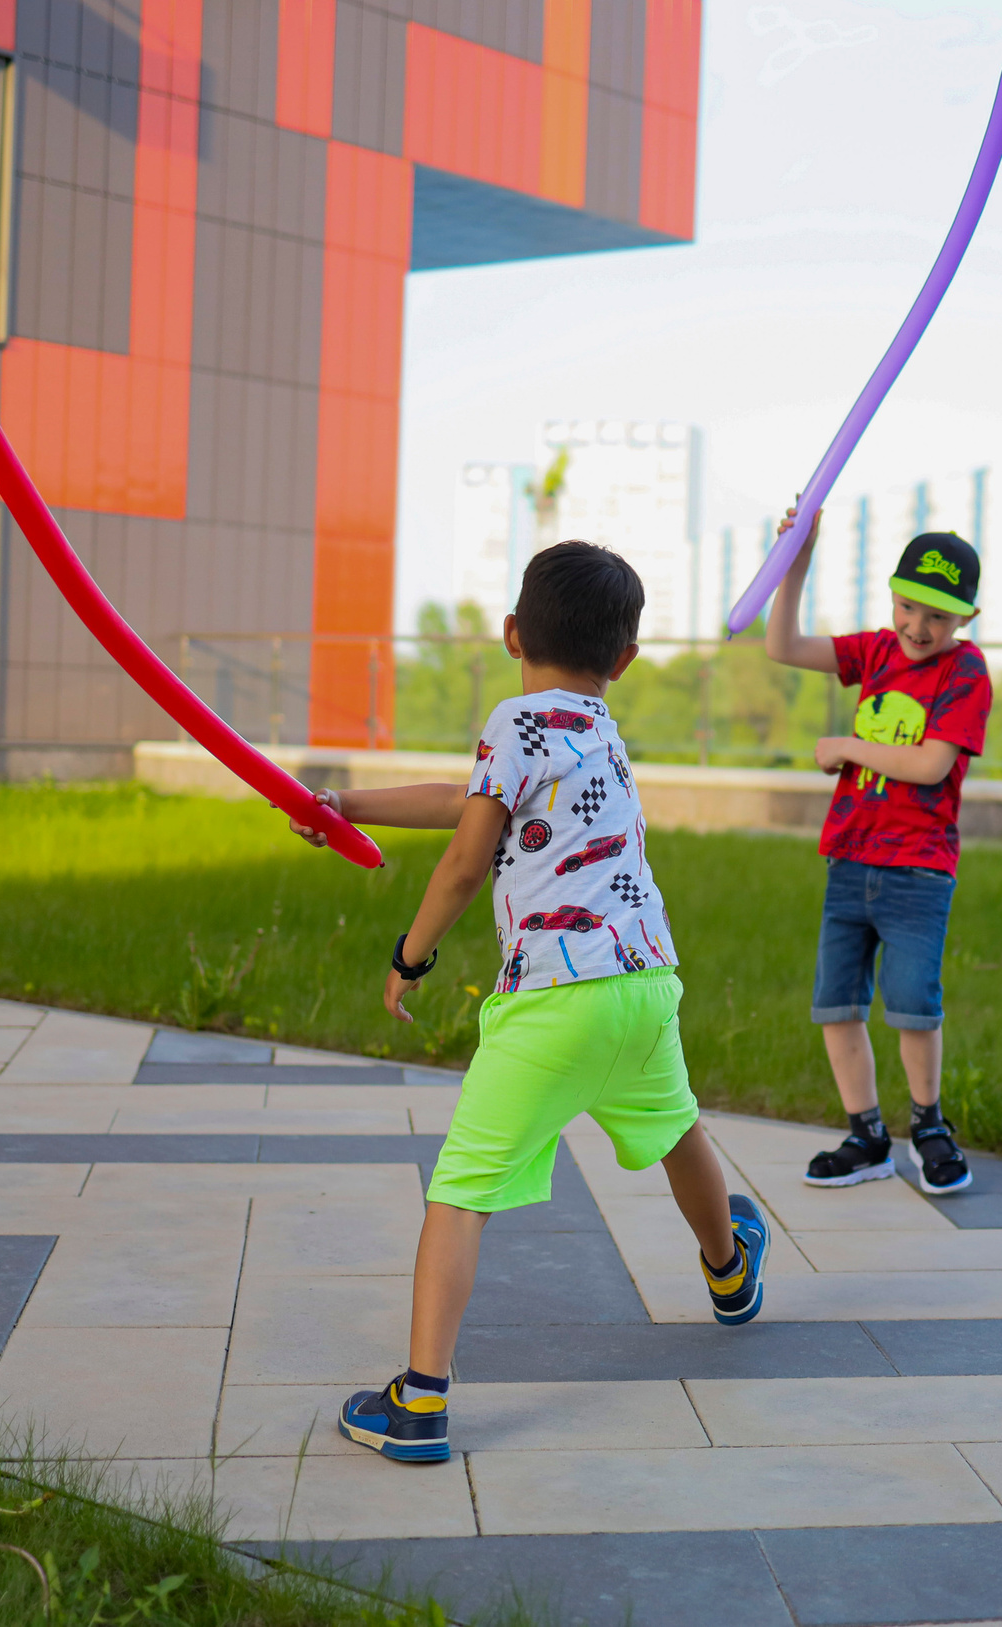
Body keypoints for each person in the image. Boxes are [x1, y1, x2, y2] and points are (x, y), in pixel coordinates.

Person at [290, 540, 768, 1463]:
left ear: (512, 631)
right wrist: (350, 802)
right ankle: (729, 1269)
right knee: (677, 1129)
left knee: (461, 1192)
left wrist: (411, 954)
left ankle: (420, 1403)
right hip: (643, 984)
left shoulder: (514, 720)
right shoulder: (599, 729)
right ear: (623, 661)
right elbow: (476, 802)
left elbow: (470, 856)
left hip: (553, 999)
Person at [763, 512, 995, 1195]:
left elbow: (930, 764)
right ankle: (866, 1134)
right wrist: (795, 558)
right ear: (891, 596)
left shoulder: (966, 670)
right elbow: (781, 645)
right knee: (837, 1003)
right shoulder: (874, 652)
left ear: (966, 619)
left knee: (913, 1004)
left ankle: (928, 1125)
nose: (918, 627)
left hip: (919, 868)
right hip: (850, 858)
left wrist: (848, 747)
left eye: (938, 617)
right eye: (907, 606)